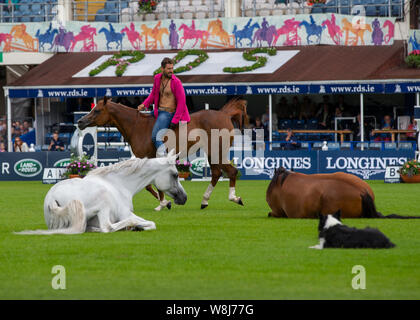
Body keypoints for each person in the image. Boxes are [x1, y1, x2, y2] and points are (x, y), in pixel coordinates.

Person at [137, 57, 190, 156]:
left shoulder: (176, 82)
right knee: (140, 119)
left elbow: (182, 103)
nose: (171, 71)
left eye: (172, 68)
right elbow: (153, 94)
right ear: (162, 69)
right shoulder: (157, 78)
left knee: (156, 137)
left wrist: (175, 120)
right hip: (158, 111)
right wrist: (144, 104)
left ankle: (165, 160)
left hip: (168, 113)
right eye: (168, 69)